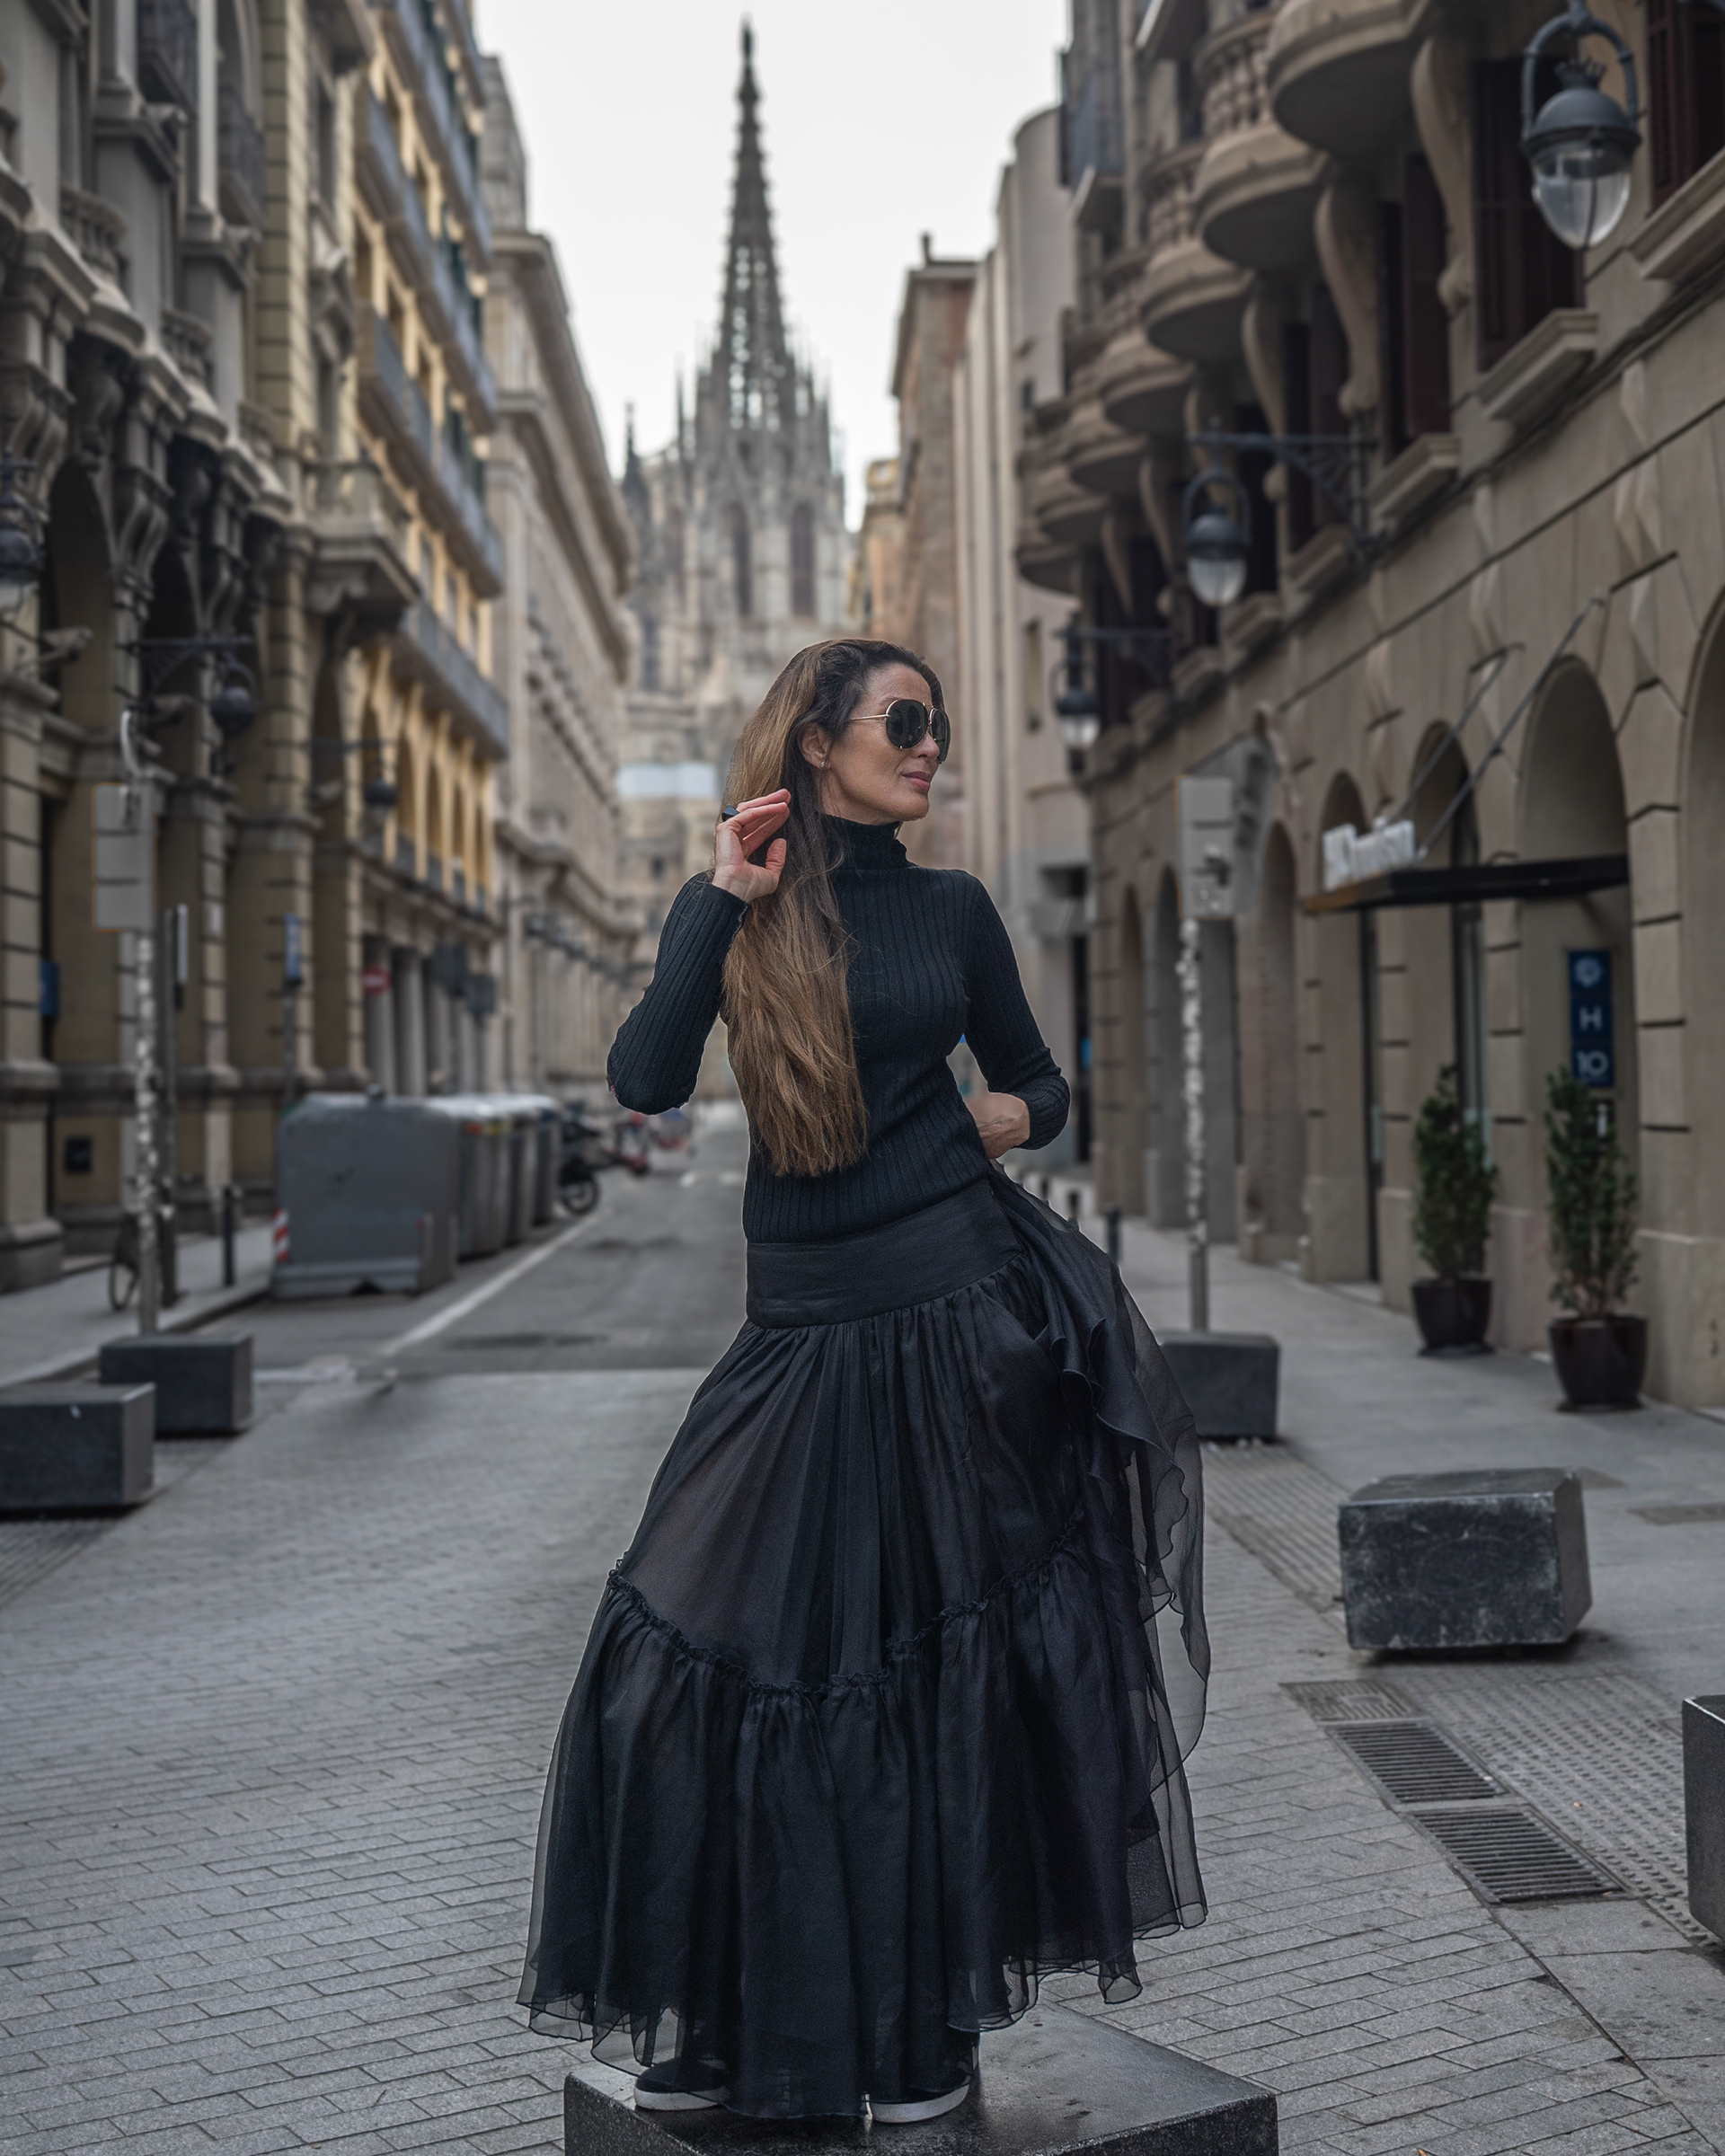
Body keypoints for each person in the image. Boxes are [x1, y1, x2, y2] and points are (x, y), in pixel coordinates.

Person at [518, 639, 1208, 2123]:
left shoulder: (954, 910)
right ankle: (715, 2006)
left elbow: (1046, 1076)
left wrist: (992, 1122)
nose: (932, 744)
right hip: (799, 1332)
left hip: (964, 1322)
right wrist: (721, 897)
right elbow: (644, 1077)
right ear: (816, 743)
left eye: (938, 724)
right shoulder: (744, 915)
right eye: (905, 722)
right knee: (688, 1651)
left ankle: (923, 2029)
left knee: (935, 1681)